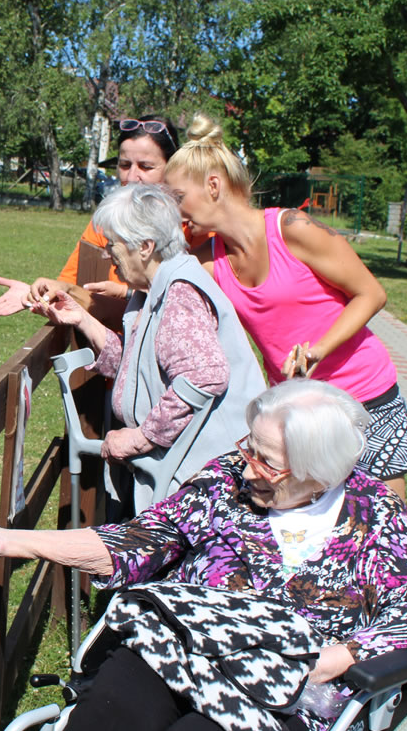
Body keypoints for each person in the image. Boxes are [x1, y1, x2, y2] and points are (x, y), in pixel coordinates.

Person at [0, 380, 407, 731]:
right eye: (249, 447)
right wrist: (12, 541)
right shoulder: (226, 480)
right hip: (183, 645)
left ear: (319, 472)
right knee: (106, 719)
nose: (246, 468)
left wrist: (332, 659)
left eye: (266, 462)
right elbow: (139, 542)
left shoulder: (376, 515)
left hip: (281, 686)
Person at [163, 113, 407, 498]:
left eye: (179, 198)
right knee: (309, 522)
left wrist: (316, 351)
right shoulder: (211, 258)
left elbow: (371, 294)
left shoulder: (293, 229)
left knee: (382, 520)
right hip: (294, 408)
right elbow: (159, 279)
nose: (176, 210)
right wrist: (80, 296)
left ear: (213, 186)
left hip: (362, 394)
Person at [32, 183, 265, 511]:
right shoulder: (153, 290)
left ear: (145, 246)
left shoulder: (180, 294)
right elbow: (137, 370)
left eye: (114, 244)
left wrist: (142, 437)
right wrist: (81, 319)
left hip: (205, 481)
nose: (109, 253)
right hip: (185, 474)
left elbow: (204, 376)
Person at [0, 116, 187, 324]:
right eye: (125, 165)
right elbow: (67, 285)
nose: (132, 176)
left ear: (172, 169)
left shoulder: (191, 228)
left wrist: (123, 293)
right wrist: (35, 294)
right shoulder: (103, 223)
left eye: (145, 167)